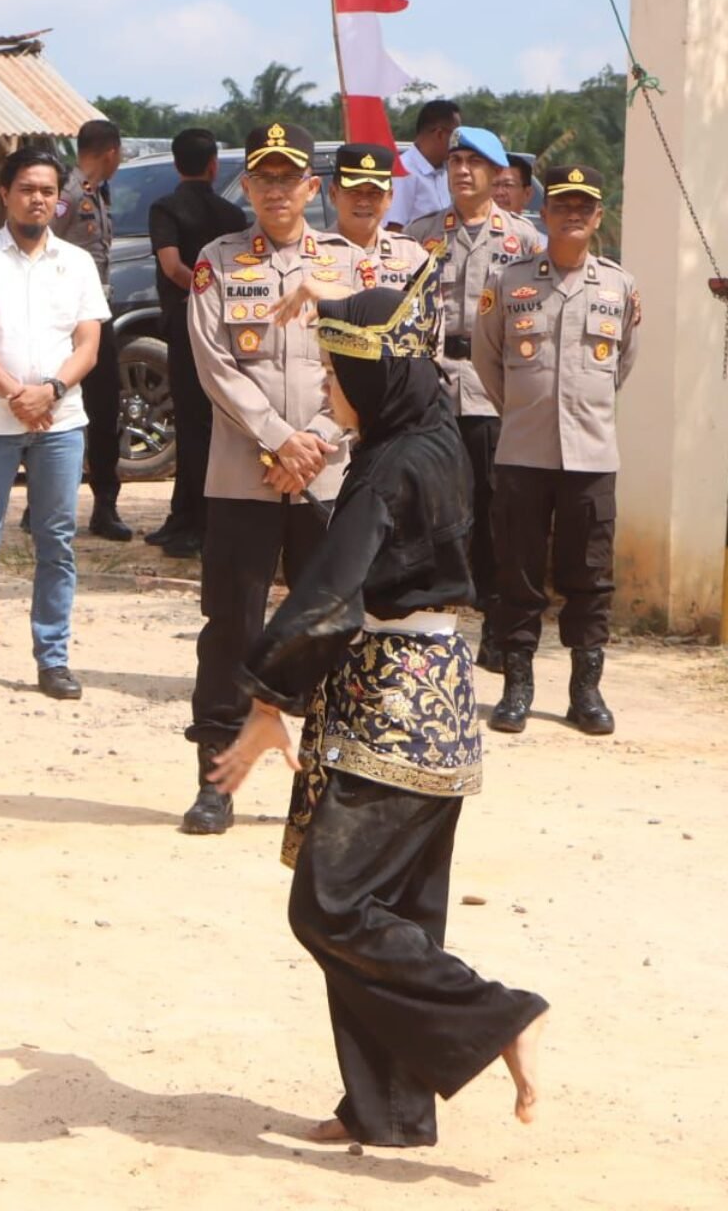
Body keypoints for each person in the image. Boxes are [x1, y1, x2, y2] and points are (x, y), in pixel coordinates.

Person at [210, 265, 548, 1149]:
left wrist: (267, 699)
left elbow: (327, 593)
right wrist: (326, 302)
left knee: (331, 906)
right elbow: (399, 327)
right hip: (430, 694)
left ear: (368, 378)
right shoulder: (433, 431)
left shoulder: (391, 469)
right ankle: (386, 1109)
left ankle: (499, 1013)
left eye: (332, 373)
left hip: (391, 700)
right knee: (394, 908)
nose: (326, 387)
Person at [181, 122, 343, 837]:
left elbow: (366, 368)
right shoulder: (216, 263)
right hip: (244, 475)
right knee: (231, 629)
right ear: (244, 186)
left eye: (290, 178)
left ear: (313, 186)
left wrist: (318, 442)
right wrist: (280, 441)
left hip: (326, 476)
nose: (277, 191)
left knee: (324, 631)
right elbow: (215, 366)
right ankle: (216, 783)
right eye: (264, 179)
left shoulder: (345, 267)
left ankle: (323, 787)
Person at [472, 165, 638, 735]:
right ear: (544, 212)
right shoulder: (509, 282)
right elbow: (487, 362)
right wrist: (525, 410)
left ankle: (585, 690)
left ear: (597, 217)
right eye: (562, 204)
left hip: (591, 460)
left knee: (590, 578)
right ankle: (516, 686)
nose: (572, 213)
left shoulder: (620, 287)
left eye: (583, 206)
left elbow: (622, 365)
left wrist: (579, 413)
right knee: (517, 574)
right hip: (523, 453)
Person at [0, 147, 109, 703]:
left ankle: (54, 658)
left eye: (47, 190)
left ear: (57, 198)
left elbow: (89, 342)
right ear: (4, 194)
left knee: (57, 543)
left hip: (61, 422)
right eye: (26, 189)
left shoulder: (77, 261)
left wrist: (52, 391)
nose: (38, 199)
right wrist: (15, 393)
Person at [405, 127, 542, 671]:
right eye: (455, 160)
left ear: (495, 174)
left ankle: (494, 621)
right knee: (435, 509)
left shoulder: (525, 241)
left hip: (491, 391)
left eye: (474, 163)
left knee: (492, 512)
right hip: (435, 389)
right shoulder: (420, 234)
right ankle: (437, 619)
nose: (462, 170)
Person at [145, 128, 248, 559]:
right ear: (212, 166)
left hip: (188, 324)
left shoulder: (165, 208)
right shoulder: (232, 214)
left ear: (175, 164)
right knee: (208, 421)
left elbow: (172, 267)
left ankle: (197, 523)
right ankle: (183, 514)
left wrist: (201, 293)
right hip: (228, 328)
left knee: (192, 424)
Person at [50, 119, 131, 541]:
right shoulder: (65, 194)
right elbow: (45, 245)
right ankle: (41, 506)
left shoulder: (96, 193)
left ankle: (105, 506)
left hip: (98, 313)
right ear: (111, 153)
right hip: (65, 315)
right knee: (53, 403)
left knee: (104, 408)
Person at [312, 143, 431, 290]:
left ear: (390, 198)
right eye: (354, 191)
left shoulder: (412, 255)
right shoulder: (310, 256)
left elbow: (430, 310)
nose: (363, 202)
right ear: (333, 194)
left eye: (375, 193)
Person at [384, 99, 462, 231]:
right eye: (456, 136)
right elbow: (393, 230)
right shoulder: (403, 171)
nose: (458, 143)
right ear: (440, 134)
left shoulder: (443, 171)